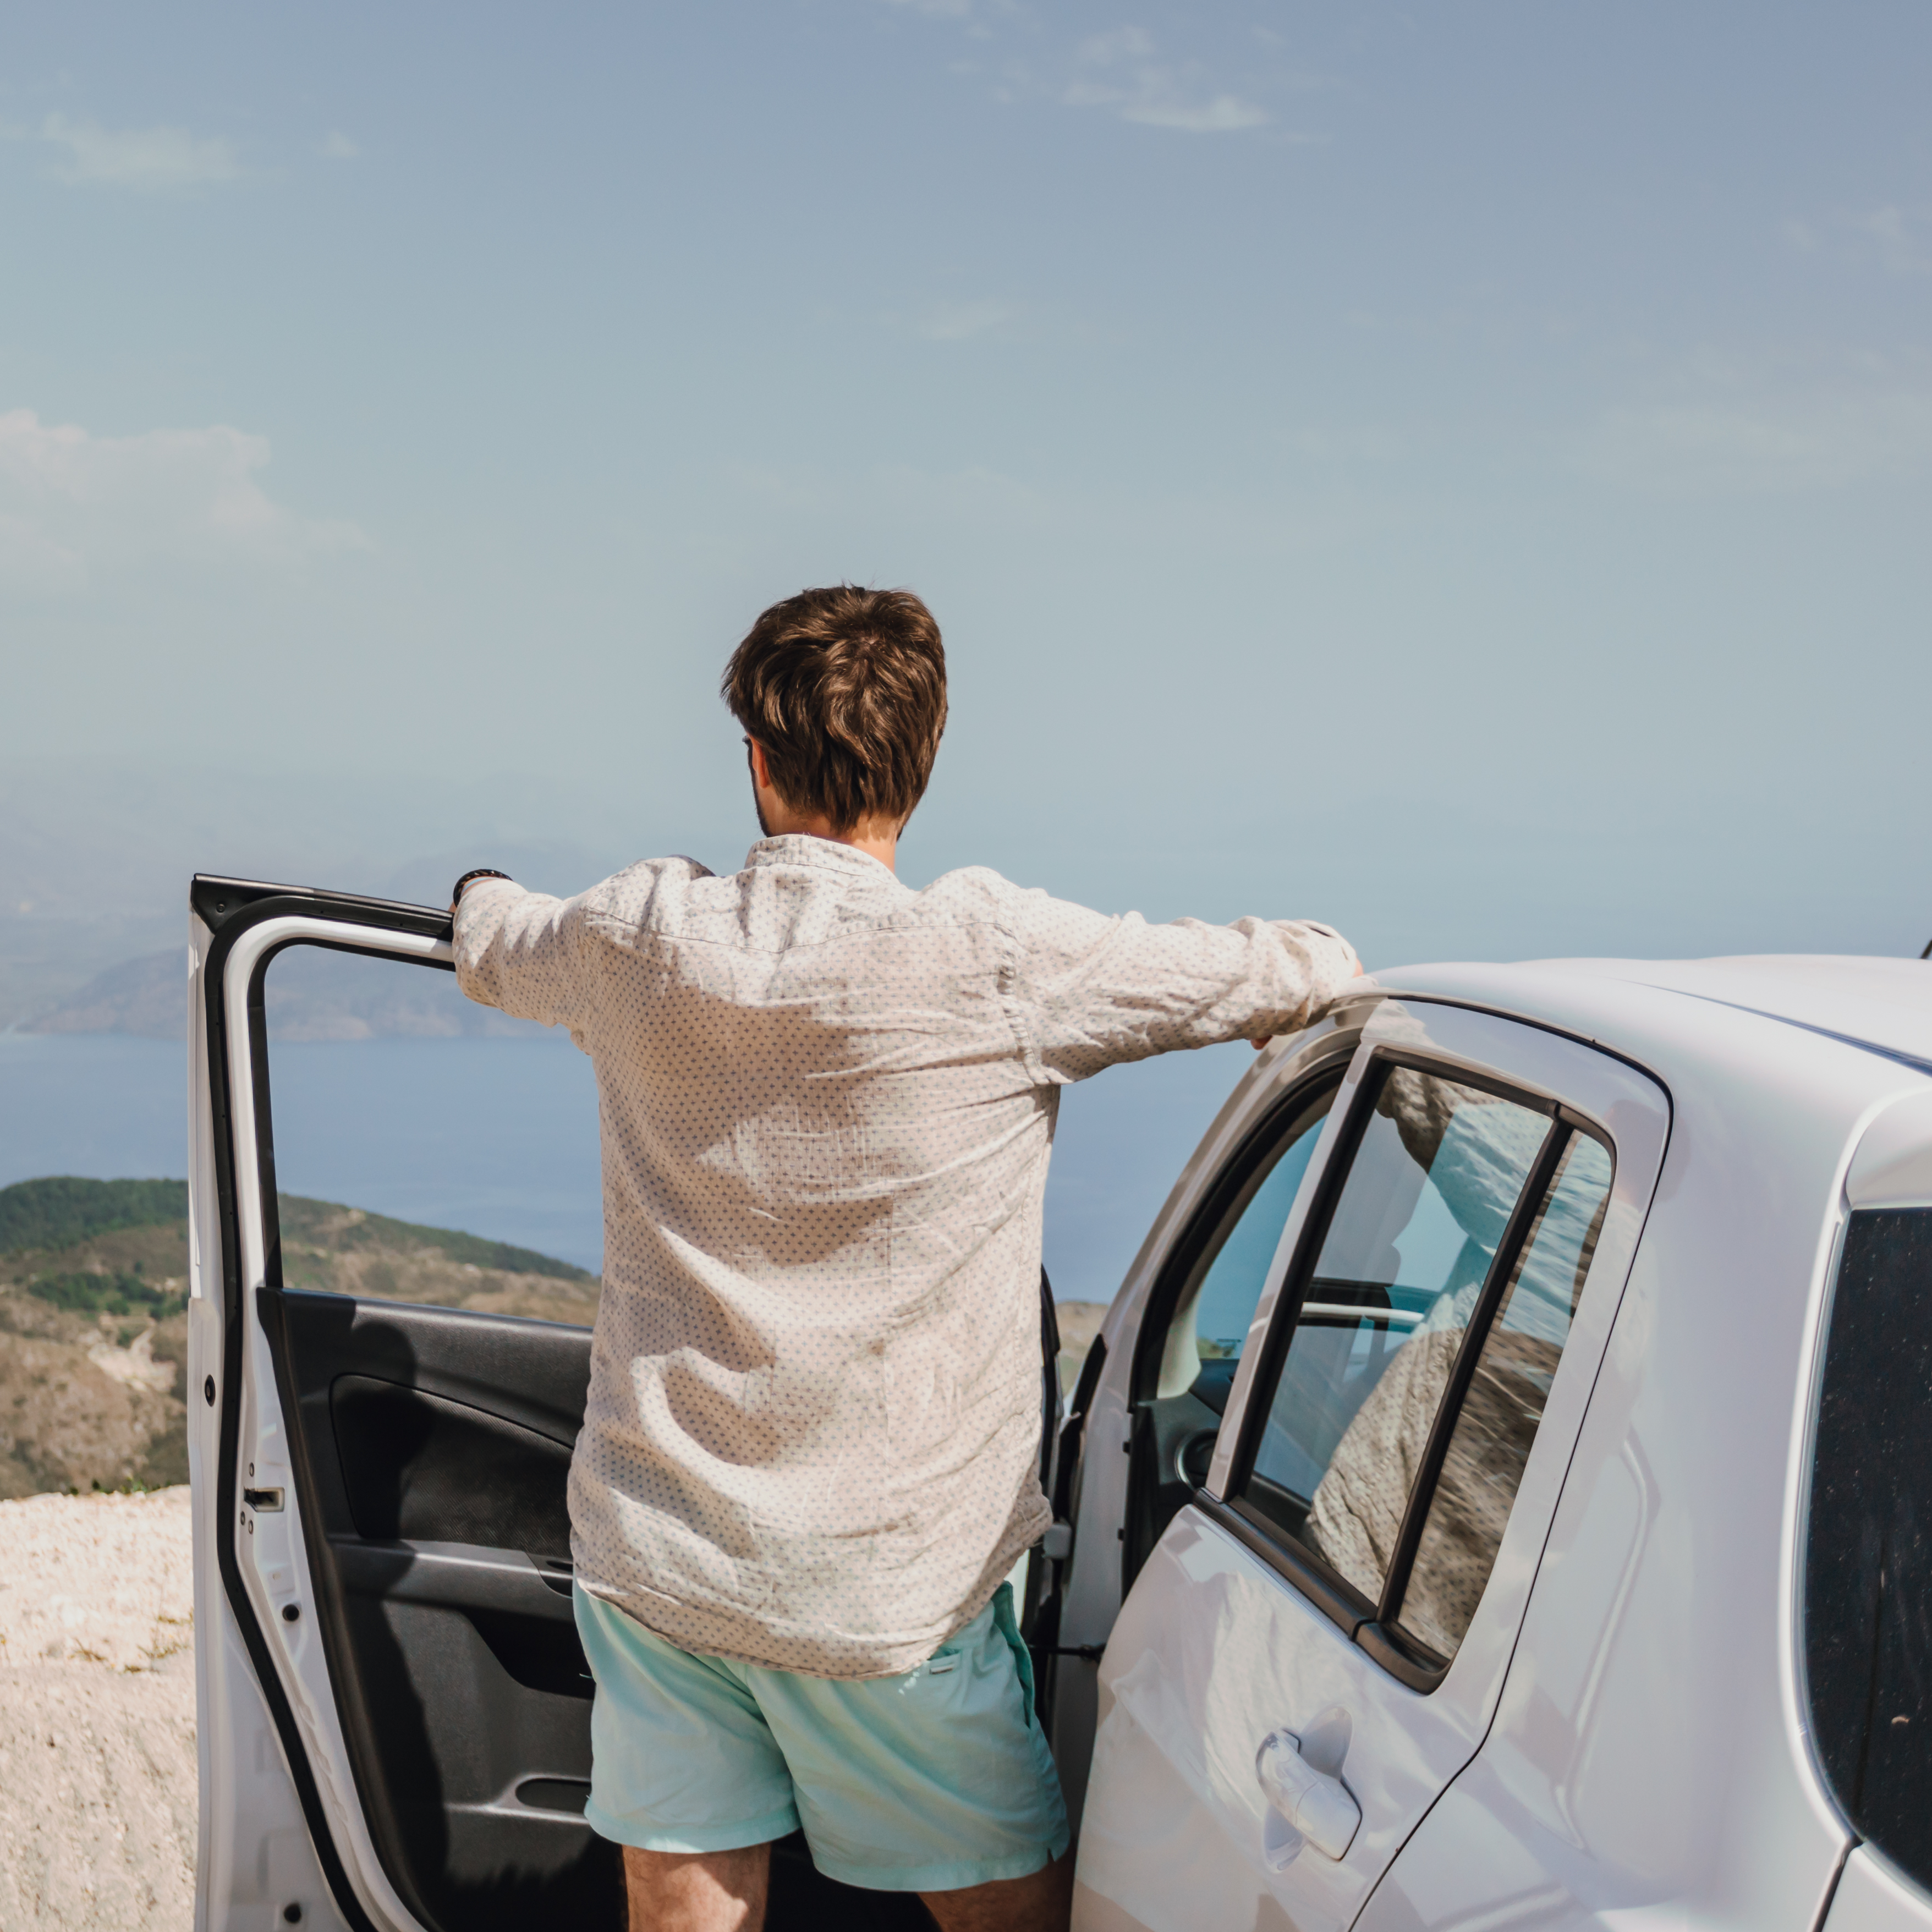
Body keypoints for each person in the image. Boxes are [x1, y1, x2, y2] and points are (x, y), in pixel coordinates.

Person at [451, 585, 1363, 1932]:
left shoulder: (637, 933)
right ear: (920, 769)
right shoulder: (993, 955)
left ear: (757, 761)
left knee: (685, 1910)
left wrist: (477, 891)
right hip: (888, 1589)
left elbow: (490, 935)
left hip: (665, 1556)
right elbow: (1291, 970)